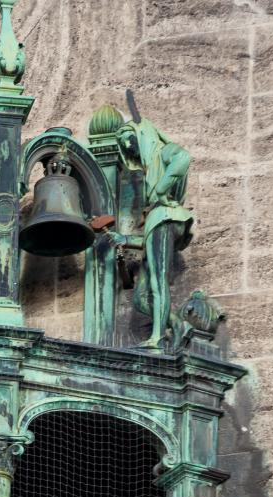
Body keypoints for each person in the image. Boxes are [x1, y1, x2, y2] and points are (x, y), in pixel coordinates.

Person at [109, 114, 193, 349]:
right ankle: (177, 325)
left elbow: (184, 157)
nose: (127, 145)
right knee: (141, 298)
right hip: (158, 224)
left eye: (130, 138)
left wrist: (161, 189)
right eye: (122, 141)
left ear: (142, 134)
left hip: (165, 219)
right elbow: (150, 241)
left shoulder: (162, 152)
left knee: (157, 281)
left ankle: (157, 338)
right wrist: (124, 239)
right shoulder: (149, 167)